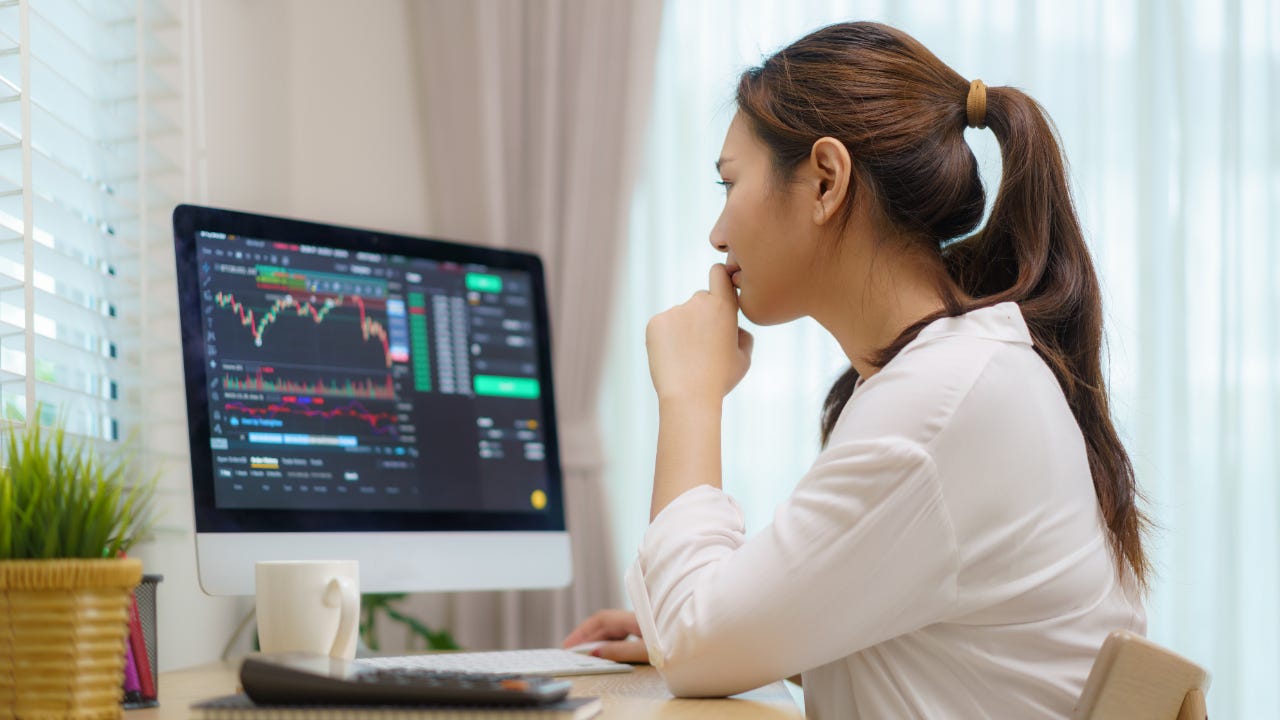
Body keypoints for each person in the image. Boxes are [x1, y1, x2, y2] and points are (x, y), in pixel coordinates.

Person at [562, 20, 1148, 718]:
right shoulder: (965, 377)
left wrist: (690, 394)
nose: (717, 234)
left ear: (826, 181)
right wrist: (739, 624)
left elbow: (693, 642)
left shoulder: (942, 402)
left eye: (730, 184)